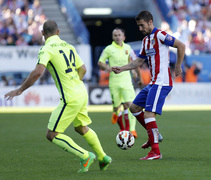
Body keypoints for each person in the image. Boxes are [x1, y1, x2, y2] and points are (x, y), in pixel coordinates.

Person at [4, 20, 111, 172]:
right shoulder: (69, 46)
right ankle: (103, 157)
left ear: (42, 33)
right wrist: (74, 83)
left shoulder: (46, 48)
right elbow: (83, 69)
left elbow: (38, 72)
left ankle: (85, 155)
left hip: (71, 97)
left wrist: (20, 89)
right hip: (81, 92)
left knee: (52, 134)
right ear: (58, 32)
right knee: (81, 128)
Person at [112, 10, 185, 160]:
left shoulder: (160, 35)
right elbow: (139, 61)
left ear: (150, 22)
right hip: (153, 83)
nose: (140, 29)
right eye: (139, 26)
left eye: (142, 25)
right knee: (134, 107)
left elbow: (181, 45)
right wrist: (122, 68)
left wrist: (178, 66)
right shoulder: (146, 41)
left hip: (162, 82)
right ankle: (154, 136)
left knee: (148, 114)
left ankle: (156, 152)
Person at [98, 27, 143, 138]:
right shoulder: (108, 49)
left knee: (129, 104)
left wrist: (139, 77)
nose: (117, 37)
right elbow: (100, 62)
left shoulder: (128, 48)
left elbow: (135, 63)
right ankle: (120, 124)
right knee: (117, 107)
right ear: (113, 37)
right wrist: (107, 68)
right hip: (114, 82)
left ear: (124, 37)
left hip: (126, 81)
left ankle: (131, 130)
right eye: (115, 35)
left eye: (119, 35)